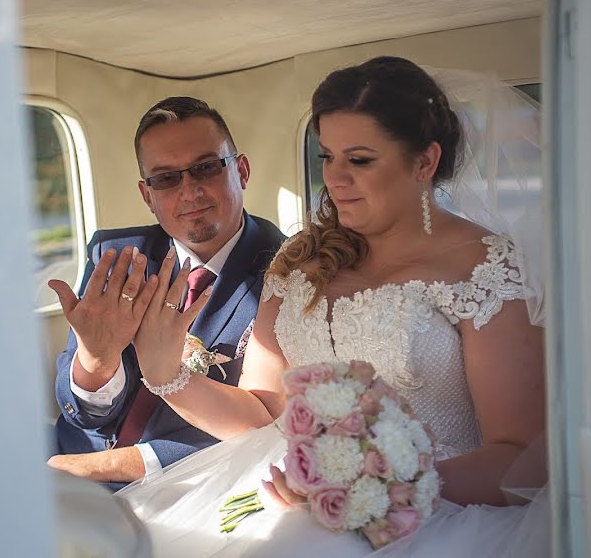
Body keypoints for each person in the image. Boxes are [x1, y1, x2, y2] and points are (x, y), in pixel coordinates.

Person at [115, 57, 548, 557]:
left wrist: (370, 492)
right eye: (327, 157)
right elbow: (264, 414)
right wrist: (165, 371)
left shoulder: (487, 268)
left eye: (360, 160)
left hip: (439, 516)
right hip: (286, 493)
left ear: (424, 162)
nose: (335, 178)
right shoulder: (301, 261)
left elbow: (520, 456)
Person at [47, 97, 285, 491]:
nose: (190, 191)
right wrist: (95, 362)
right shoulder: (115, 256)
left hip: (195, 481)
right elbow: (82, 417)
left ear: (241, 170)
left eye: (206, 168)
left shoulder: (292, 272)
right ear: (147, 195)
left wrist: (116, 464)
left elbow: (269, 421)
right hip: (70, 464)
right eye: (166, 178)